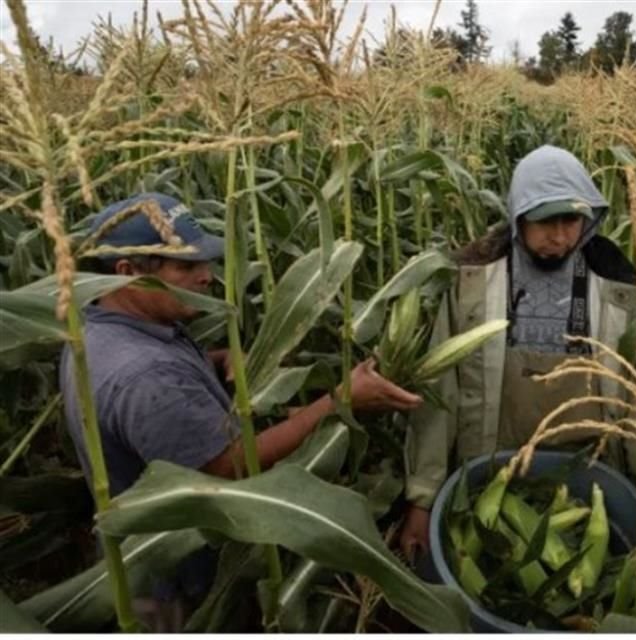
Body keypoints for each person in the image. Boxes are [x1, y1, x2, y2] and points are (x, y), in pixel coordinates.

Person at [60, 192, 421, 630]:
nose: (207, 277)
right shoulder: (147, 377)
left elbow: (163, 390)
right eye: (187, 267)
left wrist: (215, 359)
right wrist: (339, 402)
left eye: (206, 262)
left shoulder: (99, 328)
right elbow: (226, 467)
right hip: (177, 577)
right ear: (128, 273)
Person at [399, 146, 636, 583]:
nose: (559, 236)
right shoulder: (473, 285)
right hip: (488, 478)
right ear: (518, 219)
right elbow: (442, 396)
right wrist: (422, 499)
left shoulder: (616, 290)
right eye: (544, 221)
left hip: (590, 487)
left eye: (570, 221)